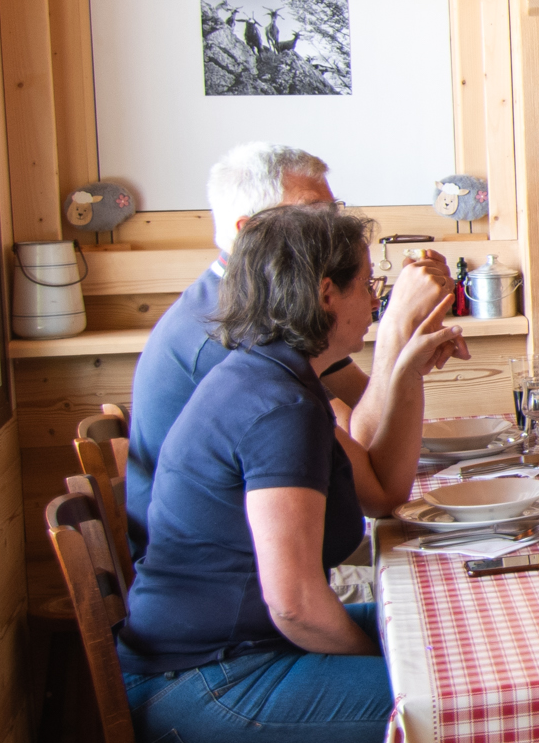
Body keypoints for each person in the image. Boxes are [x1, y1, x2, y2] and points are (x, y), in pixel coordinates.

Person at [118, 203, 460, 743]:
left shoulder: (274, 376)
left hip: (232, 655)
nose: (375, 293)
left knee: (455, 634)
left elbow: (382, 494)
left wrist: (402, 361)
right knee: (446, 705)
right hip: (202, 688)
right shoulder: (272, 405)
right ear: (323, 292)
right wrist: (383, 657)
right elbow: (299, 606)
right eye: (366, 280)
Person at [125, 142, 457, 551]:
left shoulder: (273, 303)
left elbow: (362, 412)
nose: (333, 228)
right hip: (228, 574)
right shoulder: (236, 330)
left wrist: (402, 343)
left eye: (333, 211)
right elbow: (376, 488)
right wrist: (394, 327)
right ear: (249, 230)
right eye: (312, 214)